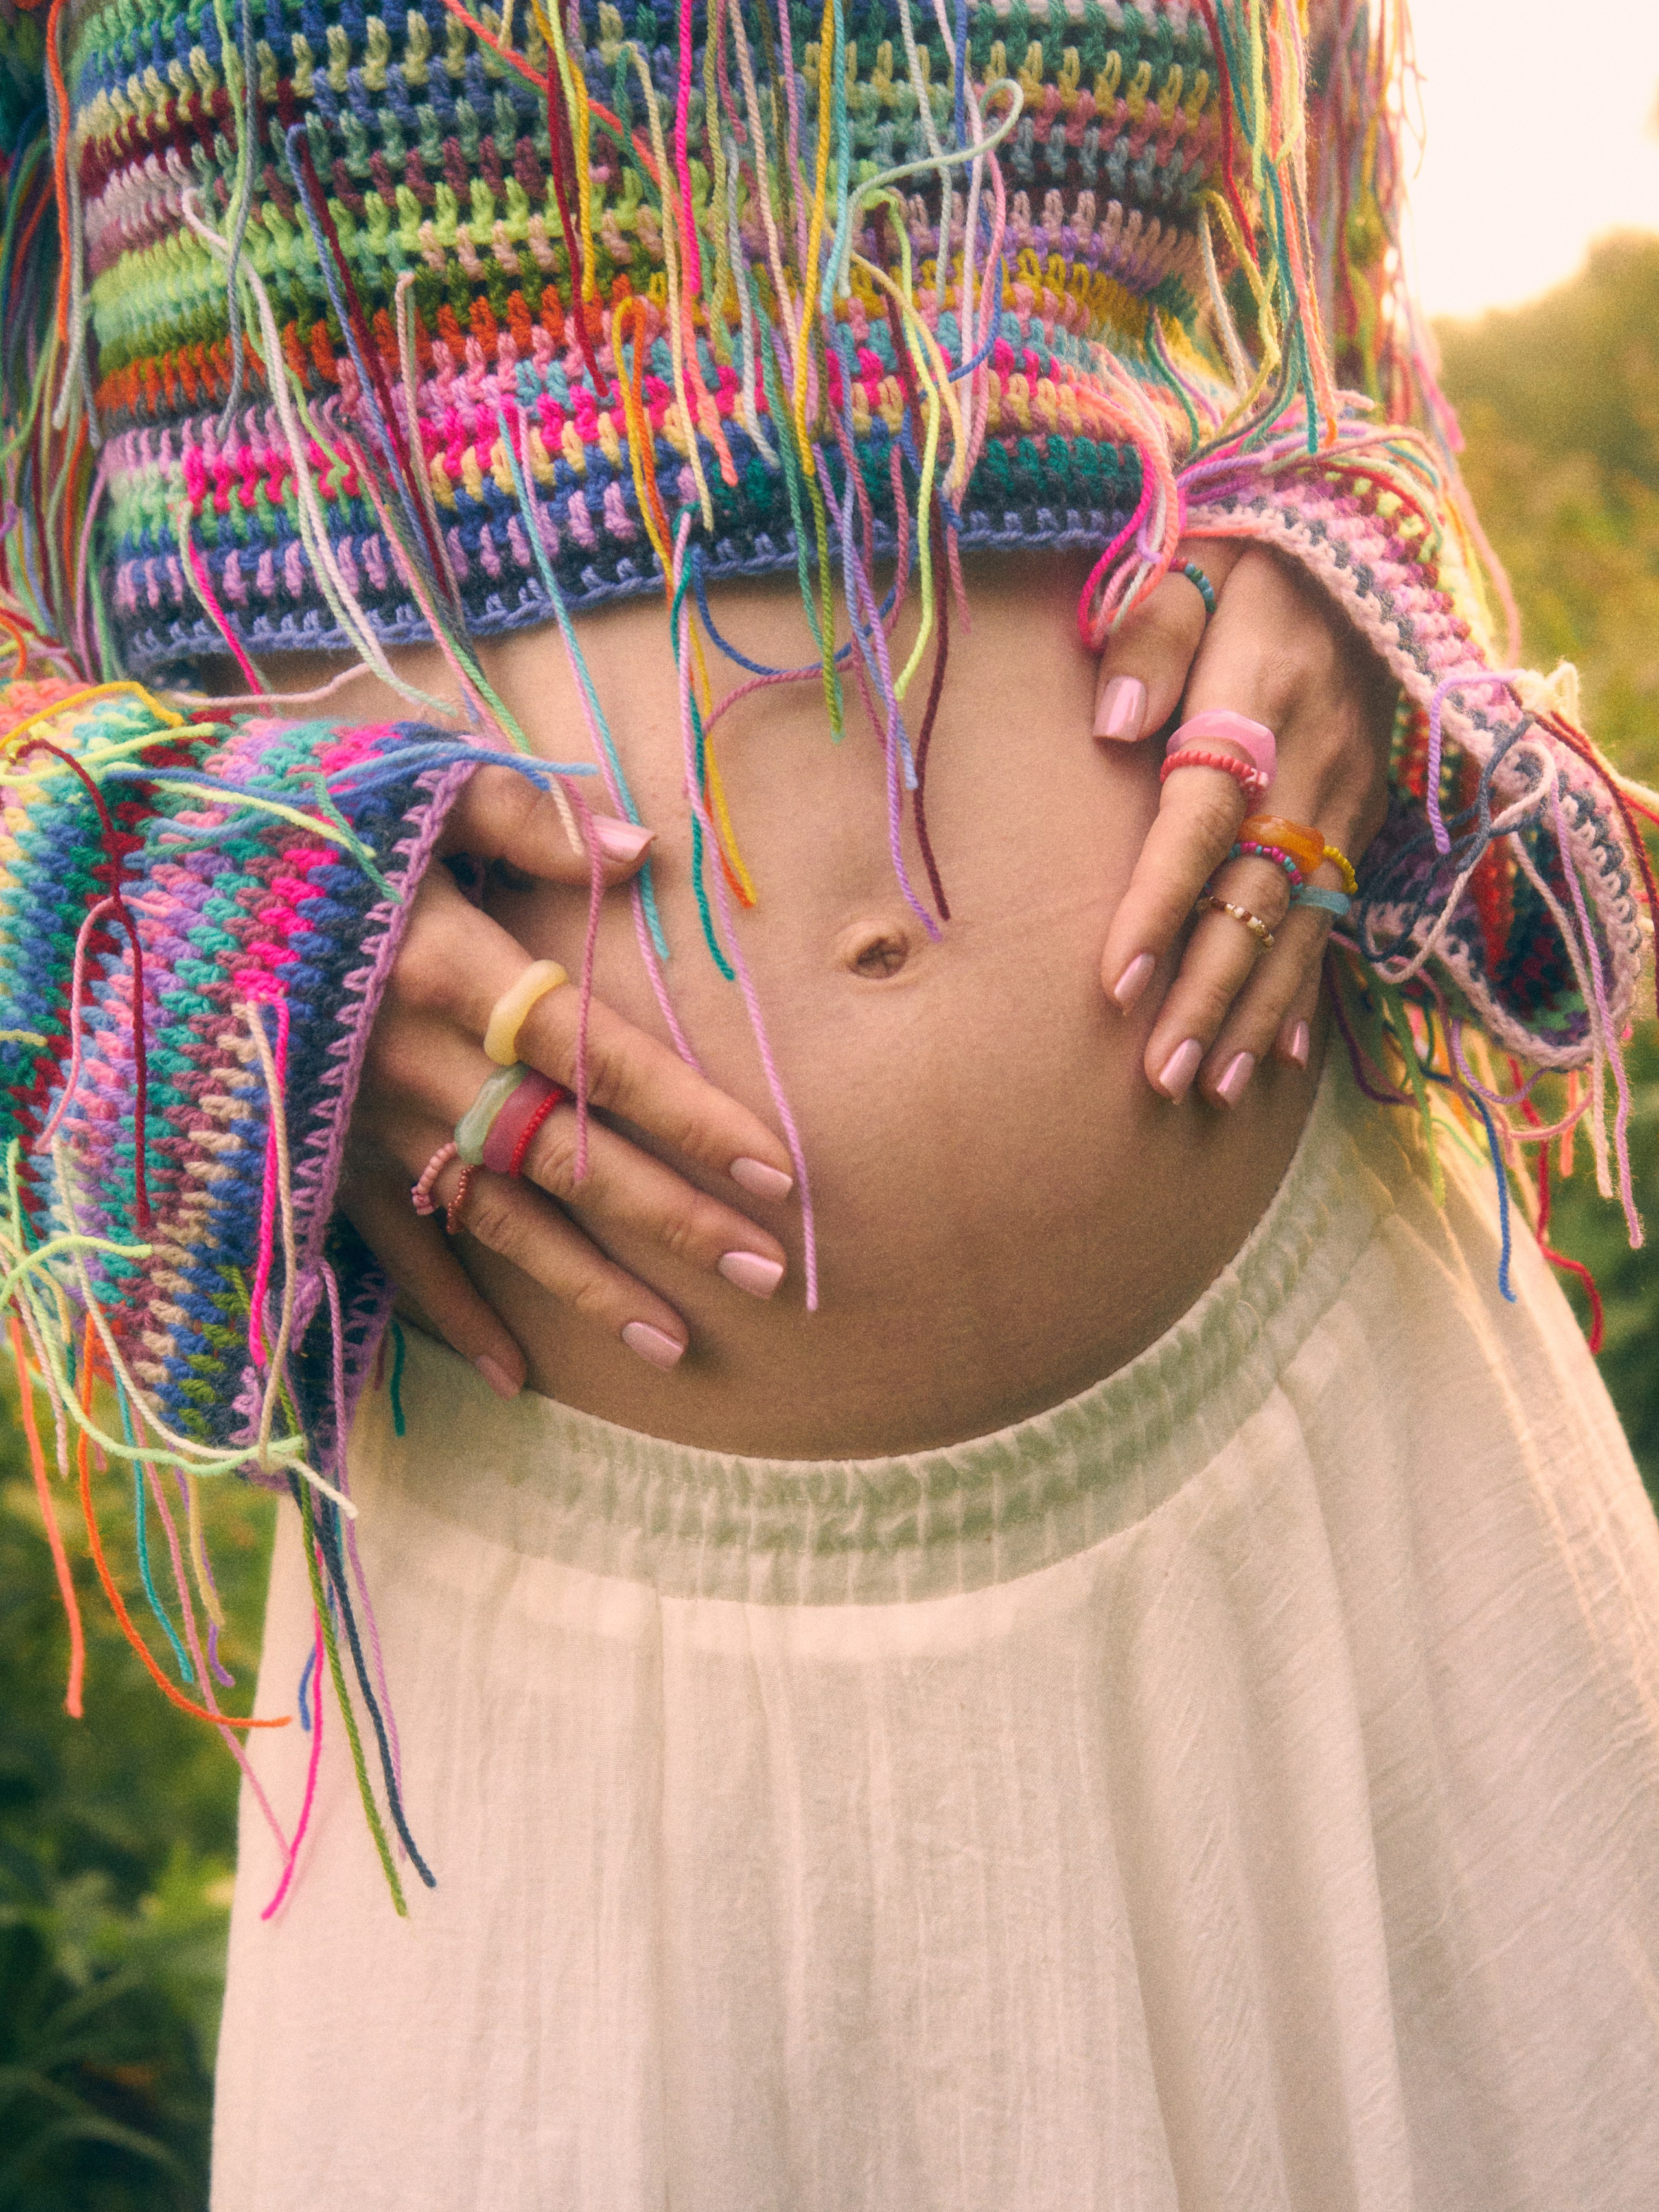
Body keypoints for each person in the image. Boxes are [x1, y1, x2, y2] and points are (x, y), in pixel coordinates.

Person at [2, 0, 1657, 2204]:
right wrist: (139, 872)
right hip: (559, 1657)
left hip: (1349, 1475)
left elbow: (1307, 347)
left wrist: (1340, 587)